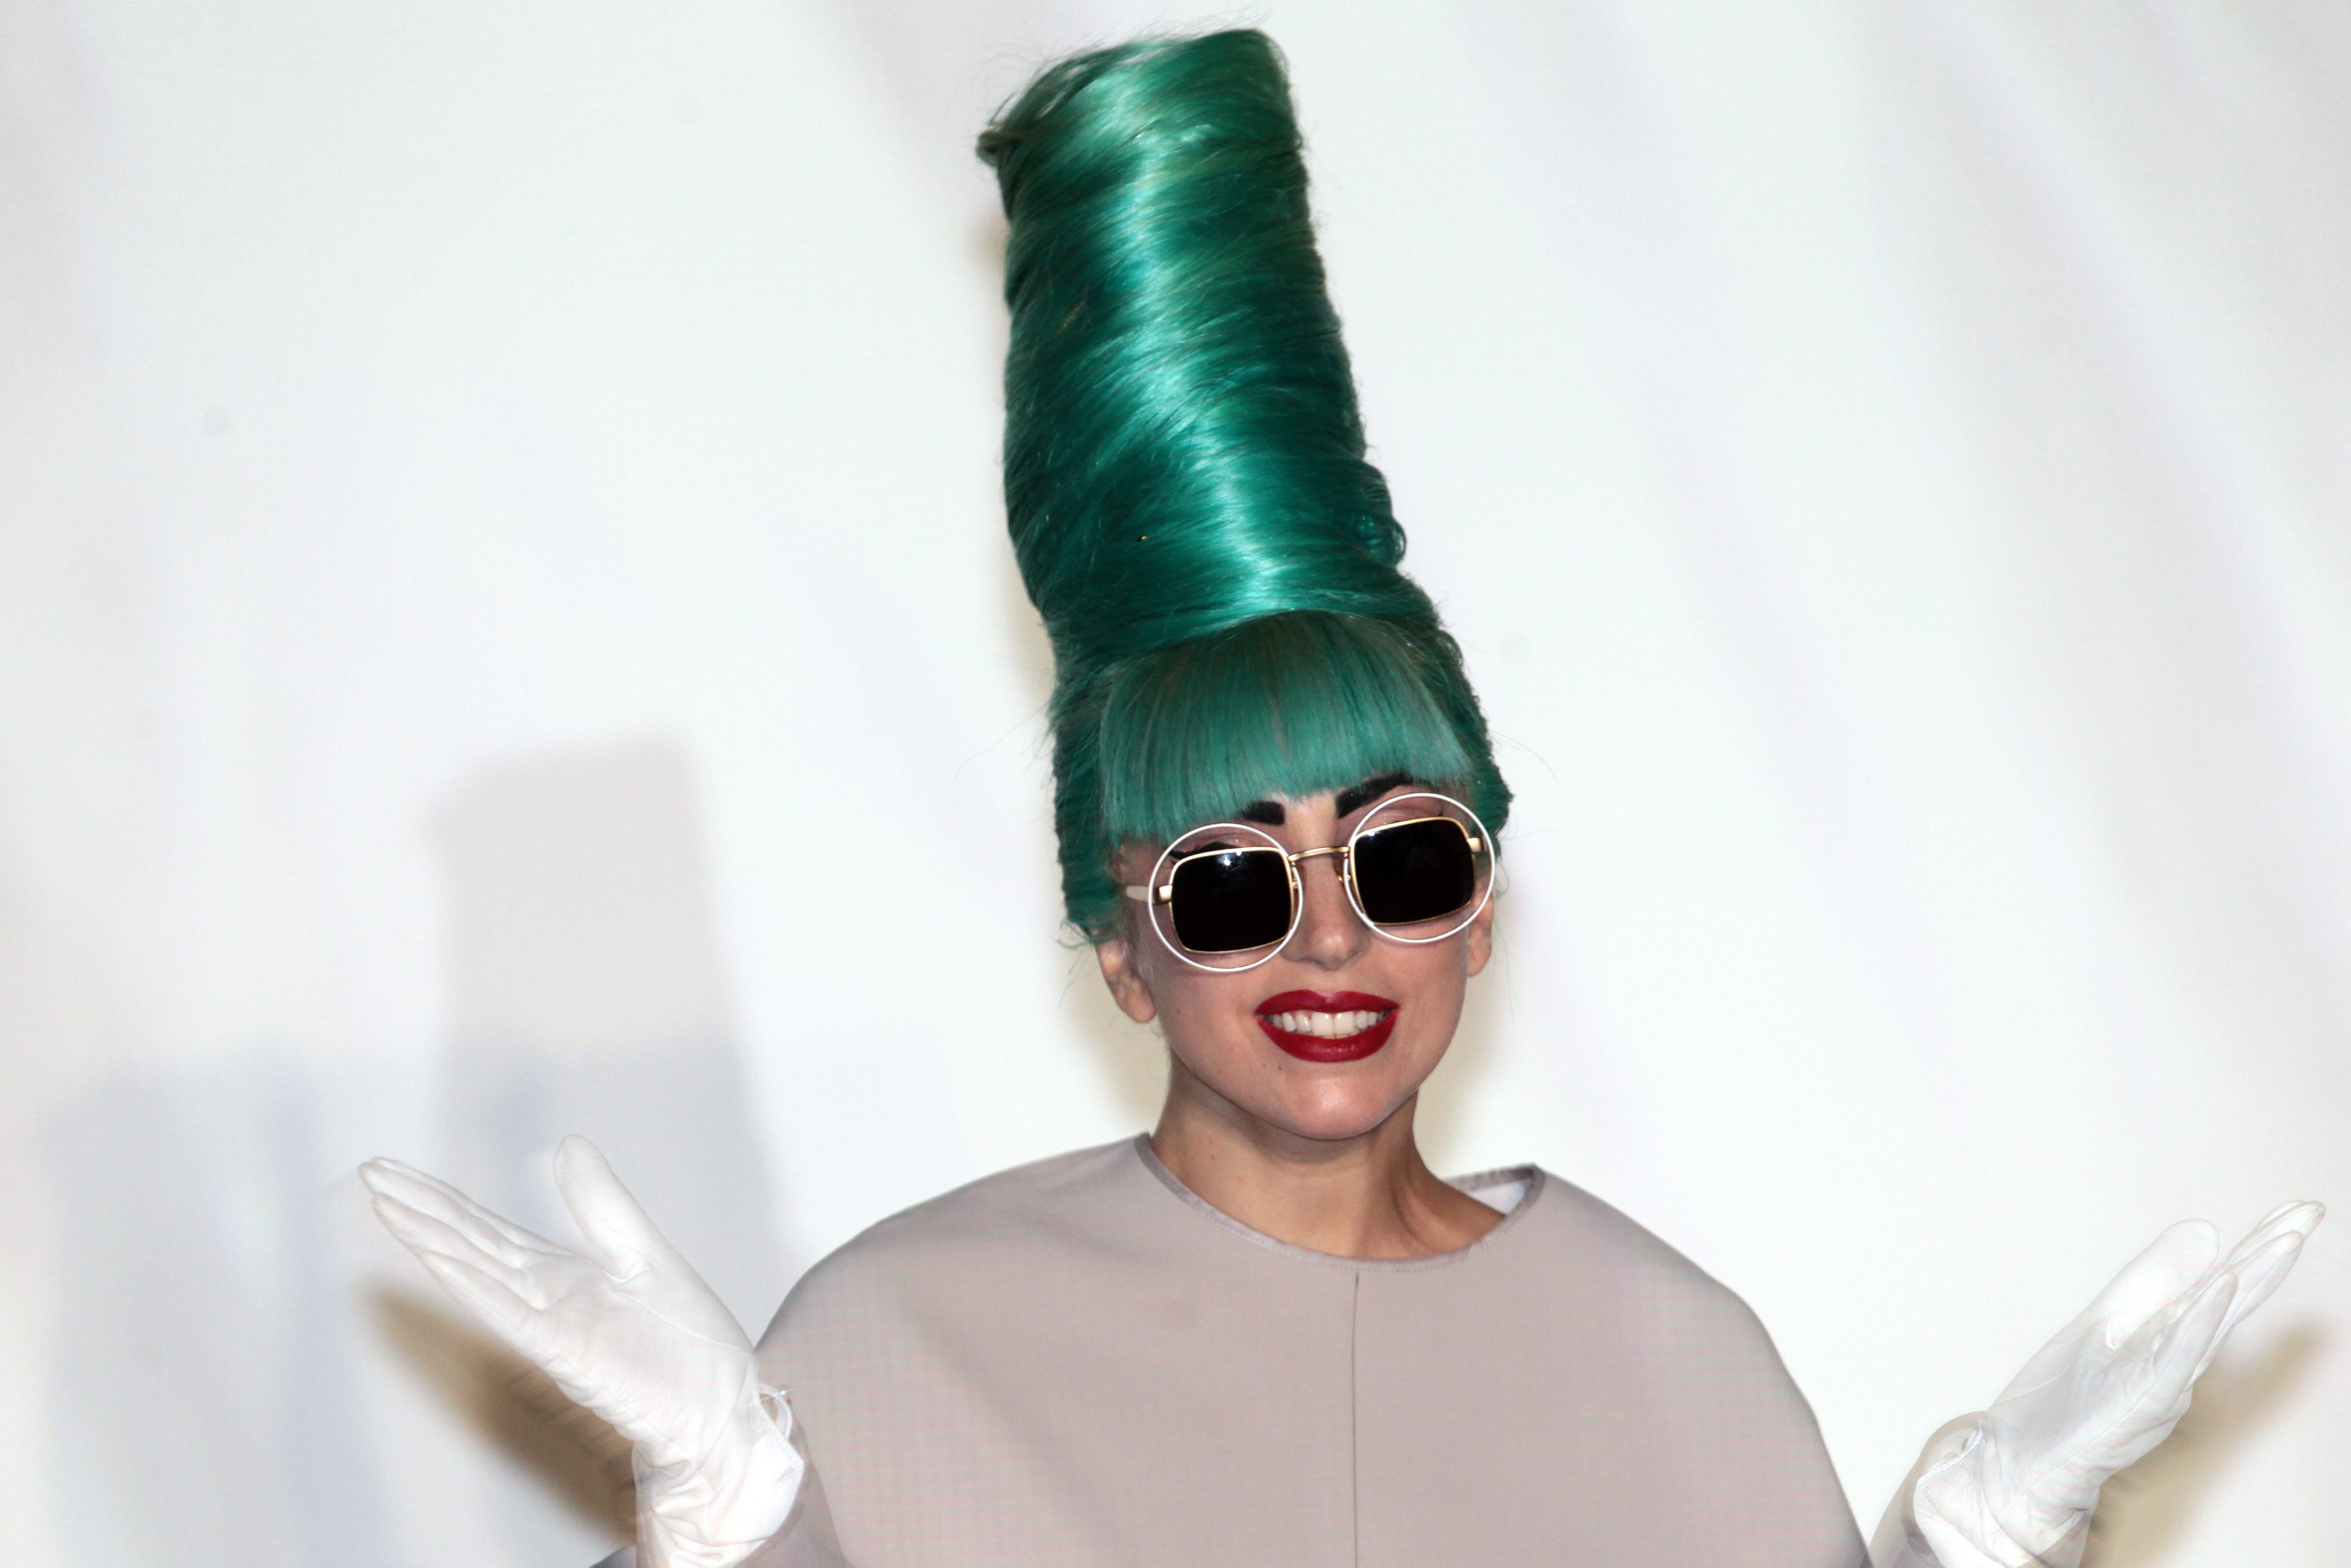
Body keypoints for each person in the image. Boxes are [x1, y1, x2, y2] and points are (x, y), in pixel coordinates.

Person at [360, 31, 2320, 1568]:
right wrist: (723, 1517)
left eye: (1397, 857)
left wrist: (1989, 1538)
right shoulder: (899, 1340)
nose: (1326, 936)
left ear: (1483, 904)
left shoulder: (1669, 1351)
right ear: (1118, 946)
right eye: (1228, 880)